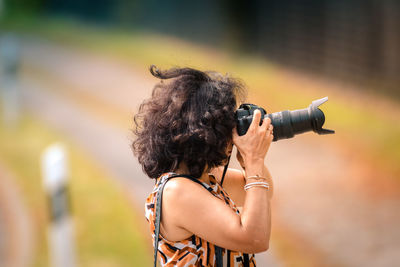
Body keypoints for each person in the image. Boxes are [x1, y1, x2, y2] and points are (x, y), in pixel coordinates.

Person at [132, 65, 274, 266]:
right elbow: (255, 238)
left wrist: (249, 162)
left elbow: (263, 194)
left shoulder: (206, 179)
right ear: (207, 134)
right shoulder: (177, 191)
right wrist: (255, 161)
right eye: (226, 128)